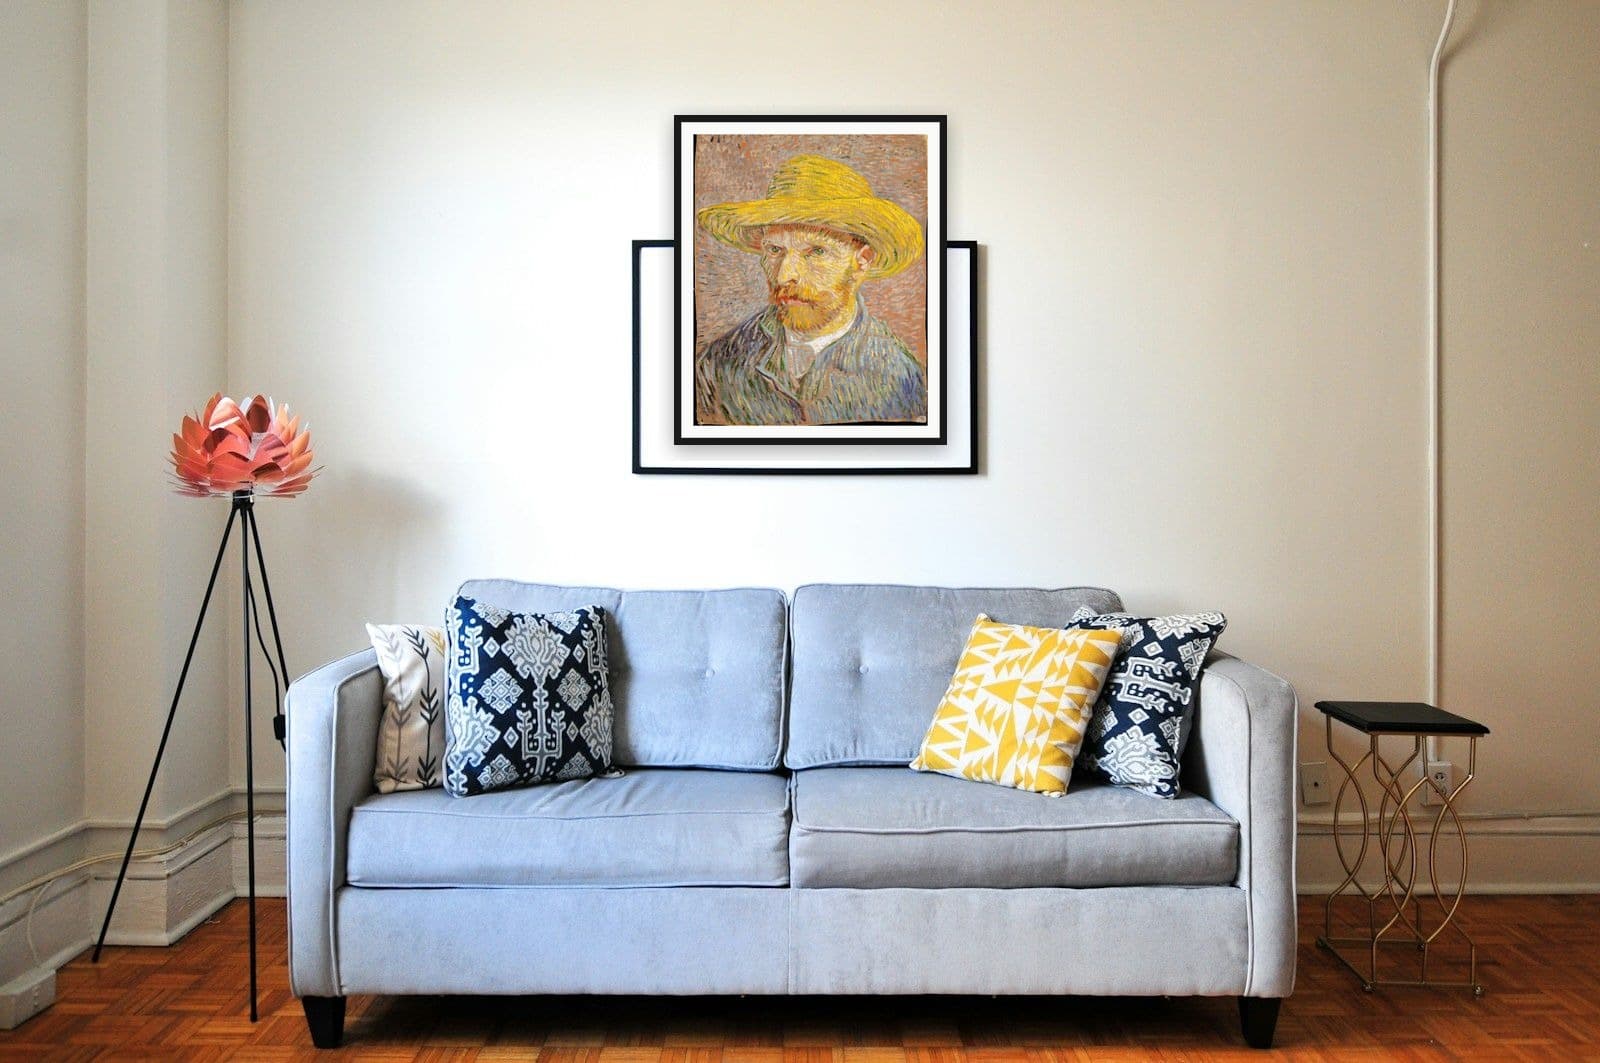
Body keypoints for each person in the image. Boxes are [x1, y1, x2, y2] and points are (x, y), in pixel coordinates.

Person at [694, 154, 927, 427]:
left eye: (816, 251)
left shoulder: (901, 377)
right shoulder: (718, 363)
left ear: (862, 260)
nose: (784, 275)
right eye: (774, 250)